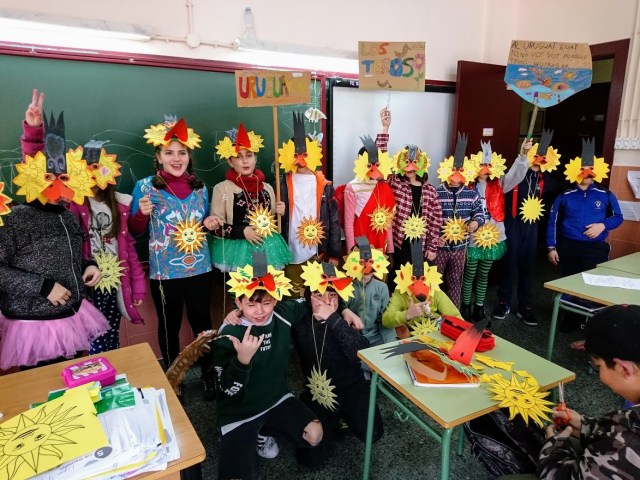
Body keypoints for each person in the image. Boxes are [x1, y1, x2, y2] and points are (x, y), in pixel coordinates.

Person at [20, 91, 146, 353]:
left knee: (108, 338)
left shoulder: (119, 205)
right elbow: (39, 173)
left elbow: (129, 247)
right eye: (86, 169)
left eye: (98, 169)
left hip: (110, 282)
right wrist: (34, 132)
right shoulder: (70, 204)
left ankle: (107, 379)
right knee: (83, 344)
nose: (93, 174)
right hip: (77, 284)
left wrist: (138, 286)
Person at [0, 90, 108, 370]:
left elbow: (73, 257)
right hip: (33, 323)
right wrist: (43, 286)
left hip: (69, 315)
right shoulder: (15, 218)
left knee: (70, 381)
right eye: (51, 178)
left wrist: (89, 265)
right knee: (43, 389)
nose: (61, 189)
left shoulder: (68, 217)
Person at [212, 252, 323, 479]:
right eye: (251, 304)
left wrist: (347, 308)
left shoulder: (282, 315)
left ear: (275, 299)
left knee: (315, 434)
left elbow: (317, 297)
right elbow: (225, 388)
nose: (260, 311)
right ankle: (241, 434)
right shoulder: (230, 334)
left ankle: (264, 430)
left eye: (266, 303)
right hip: (239, 411)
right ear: (238, 302)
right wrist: (242, 361)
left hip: (276, 398)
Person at [129, 115, 215, 398]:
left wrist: (211, 222)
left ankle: (208, 373)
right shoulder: (145, 187)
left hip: (200, 268)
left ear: (189, 157)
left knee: (203, 325)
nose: (176, 159)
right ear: (158, 156)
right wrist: (141, 214)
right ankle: (173, 377)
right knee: (170, 326)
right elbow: (135, 230)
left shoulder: (202, 188)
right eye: (169, 153)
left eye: (182, 153)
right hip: (165, 273)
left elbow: (204, 223)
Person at [292, 260, 384, 469]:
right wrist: (237, 316)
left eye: (332, 295)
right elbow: (271, 314)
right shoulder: (300, 320)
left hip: (352, 388)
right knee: (310, 461)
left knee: (374, 433)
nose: (325, 302)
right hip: (318, 392)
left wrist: (335, 317)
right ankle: (332, 421)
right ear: (308, 298)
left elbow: (362, 353)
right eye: (318, 296)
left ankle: (342, 417)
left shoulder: (344, 319)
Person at [538, 304, 640, 478]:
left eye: (598, 366)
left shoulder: (630, 442)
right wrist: (587, 426)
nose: (600, 376)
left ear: (624, 369)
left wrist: (553, 447)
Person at [546, 138, 623, 331]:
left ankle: (586, 319)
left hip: (594, 248)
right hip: (568, 246)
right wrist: (551, 247)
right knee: (569, 282)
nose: (586, 172)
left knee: (588, 284)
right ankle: (569, 318)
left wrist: (602, 225)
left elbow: (618, 217)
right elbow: (552, 222)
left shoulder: (605, 194)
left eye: (590, 167)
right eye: (582, 167)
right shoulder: (564, 196)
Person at [460, 140, 530, 322]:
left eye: (489, 164)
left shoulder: (499, 183)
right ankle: (465, 306)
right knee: (470, 273)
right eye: (482, 164)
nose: (486, 168)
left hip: (493, 237)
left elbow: (516, 174)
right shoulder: (467, 186)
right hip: (473, 237)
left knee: (484, 274)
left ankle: (479, 307)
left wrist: (522, 156)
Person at [493, 131, 557, 326]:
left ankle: (525, 306)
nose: (539, 160)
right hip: (512, 224)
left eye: (543, 157)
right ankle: (504, 302)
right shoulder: (517, 174)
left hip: (531, 227)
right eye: (537, 155)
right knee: (508, 265)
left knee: (528, 267)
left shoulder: (545, 180)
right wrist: (522, 156)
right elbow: (512, 174)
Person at [208, 123, 291, 272]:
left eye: (249, 155)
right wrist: (242, 232)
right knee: (243, 291)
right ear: (230, 161)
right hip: (238, 251)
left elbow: (273, 223)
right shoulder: (222, 189)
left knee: (264, 289)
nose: (245, 161)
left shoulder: (267, 188)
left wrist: (281, 213)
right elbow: (216, 228)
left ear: (255, 158)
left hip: (266, 248)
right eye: (238, 157)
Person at [376, 108, 442, 287]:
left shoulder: (430, 191)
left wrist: (432, 247)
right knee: (396, 282)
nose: (411, 166)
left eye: (415, 162)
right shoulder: (395, 182)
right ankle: (395, 313)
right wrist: (385, 128)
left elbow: (436, 221)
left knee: (416, 284)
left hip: (420, 247)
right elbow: (379, 161)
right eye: (406, 162)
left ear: (422, 164)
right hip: (399, 242)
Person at [278, 112, 341, 293]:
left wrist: (334, 253)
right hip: (290, 253)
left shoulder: (324, 185)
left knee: (316, 295)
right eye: (296, 154)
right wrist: (278, 211)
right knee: (292, 297)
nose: (301, 159)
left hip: (318, 252)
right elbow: (272, 220)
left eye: (305, 154)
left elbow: (334, 221)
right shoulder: (282, 183)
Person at [434, 133, 484, 309]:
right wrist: (435, 238)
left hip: (461, 247)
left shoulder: (472, 194)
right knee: (435, 282)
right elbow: (431, 218)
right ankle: (434, 314)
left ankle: (453, 315)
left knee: (456, 280)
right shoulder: (437, 193)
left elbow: (480, 213)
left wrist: (476, 223)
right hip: (440, 247)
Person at [382, 241, 461, 339]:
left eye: (422, 278)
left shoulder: (435, 291)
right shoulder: (401, 293)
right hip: (411, 337)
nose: (418, 283)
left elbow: (456, 317)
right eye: (413, 278)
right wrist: (407, 315)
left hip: (435, 333)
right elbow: (386, 320)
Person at [343, 117, 396, 255]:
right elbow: (348, 222)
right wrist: (350, 249)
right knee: (361, 275)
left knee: (379, 276)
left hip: (381, 242)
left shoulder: (384, 187)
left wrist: (390, 249)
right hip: (360, 243)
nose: (373, 168)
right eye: (369, 164)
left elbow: (387, 222)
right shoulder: (352, 187)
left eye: (377, 164)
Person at [343, 236, 395, 348]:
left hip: (376, 338)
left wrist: (391, 344)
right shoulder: (346, 287)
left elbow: (385, 321)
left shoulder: (382, 288)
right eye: (361, 262)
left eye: (370, 261)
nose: (367, 267)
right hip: (353, 338)